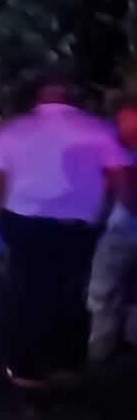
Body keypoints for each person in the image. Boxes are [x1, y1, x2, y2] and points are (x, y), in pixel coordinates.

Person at [0, 70, 128, 387]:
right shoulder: (98, 130)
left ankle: (24, 368)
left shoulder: (14, 130)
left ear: (38, 95)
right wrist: (122, 218)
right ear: (72, 95)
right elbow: (122, 182)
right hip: (77, 226)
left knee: (25, 292)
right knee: (69, 292)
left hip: (22, 222)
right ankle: (66, 363)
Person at [87, 98, 137, 364]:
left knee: (104, 294)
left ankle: (100, 354)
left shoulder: (117, 145)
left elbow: (116, 188)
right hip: (123, 226)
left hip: (122, 228)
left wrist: (94, 218)